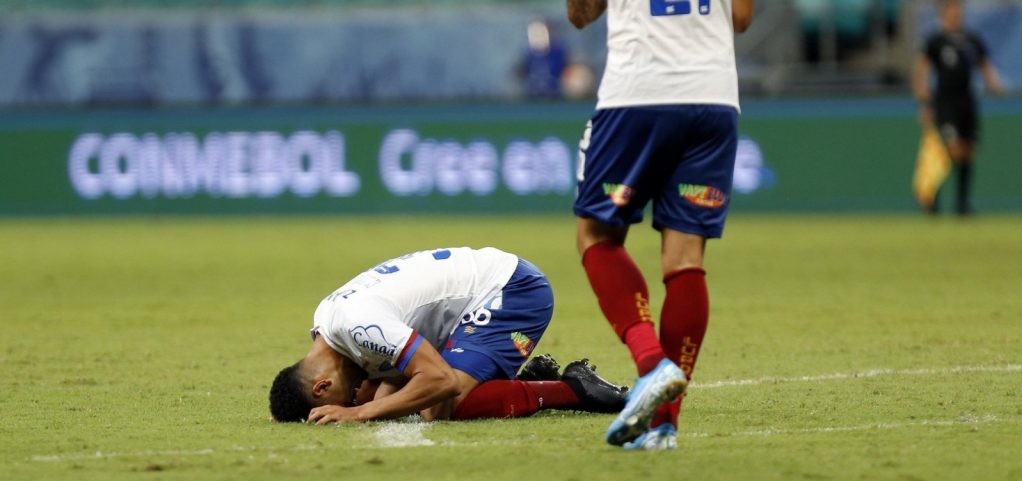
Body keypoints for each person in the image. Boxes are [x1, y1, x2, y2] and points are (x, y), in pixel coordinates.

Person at [566, 0, 754, 450]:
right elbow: (741, 19)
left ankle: (652, 364)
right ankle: (662, 426)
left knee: (596, 234)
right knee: (685, 257)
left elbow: (581, 14)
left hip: (638, 93)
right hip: (714, 98)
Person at [268, 247, 627, 424]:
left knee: (441, 405)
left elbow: (439, 381)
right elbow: (393, 375)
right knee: (394, 394)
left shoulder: (358, 325)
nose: (348, 403)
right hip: (475, 296)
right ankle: (520, 378)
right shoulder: (327, 320)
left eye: (339, 401)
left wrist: (359, 414)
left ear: (322, 387)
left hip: (510, 289)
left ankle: (577, 389)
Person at [912, 0, 1002, 216]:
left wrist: (993, 83)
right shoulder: (935, 41)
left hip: (967, 101)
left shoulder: (971, 39)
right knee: (950, 149)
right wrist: (924, 100)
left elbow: (984, 64)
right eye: (951, 9)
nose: (956, 13)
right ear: (943, 13)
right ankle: (931, 197)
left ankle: (962, 204)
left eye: (958, 9)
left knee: (966, 152)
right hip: (945, 101)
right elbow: (921, 69)